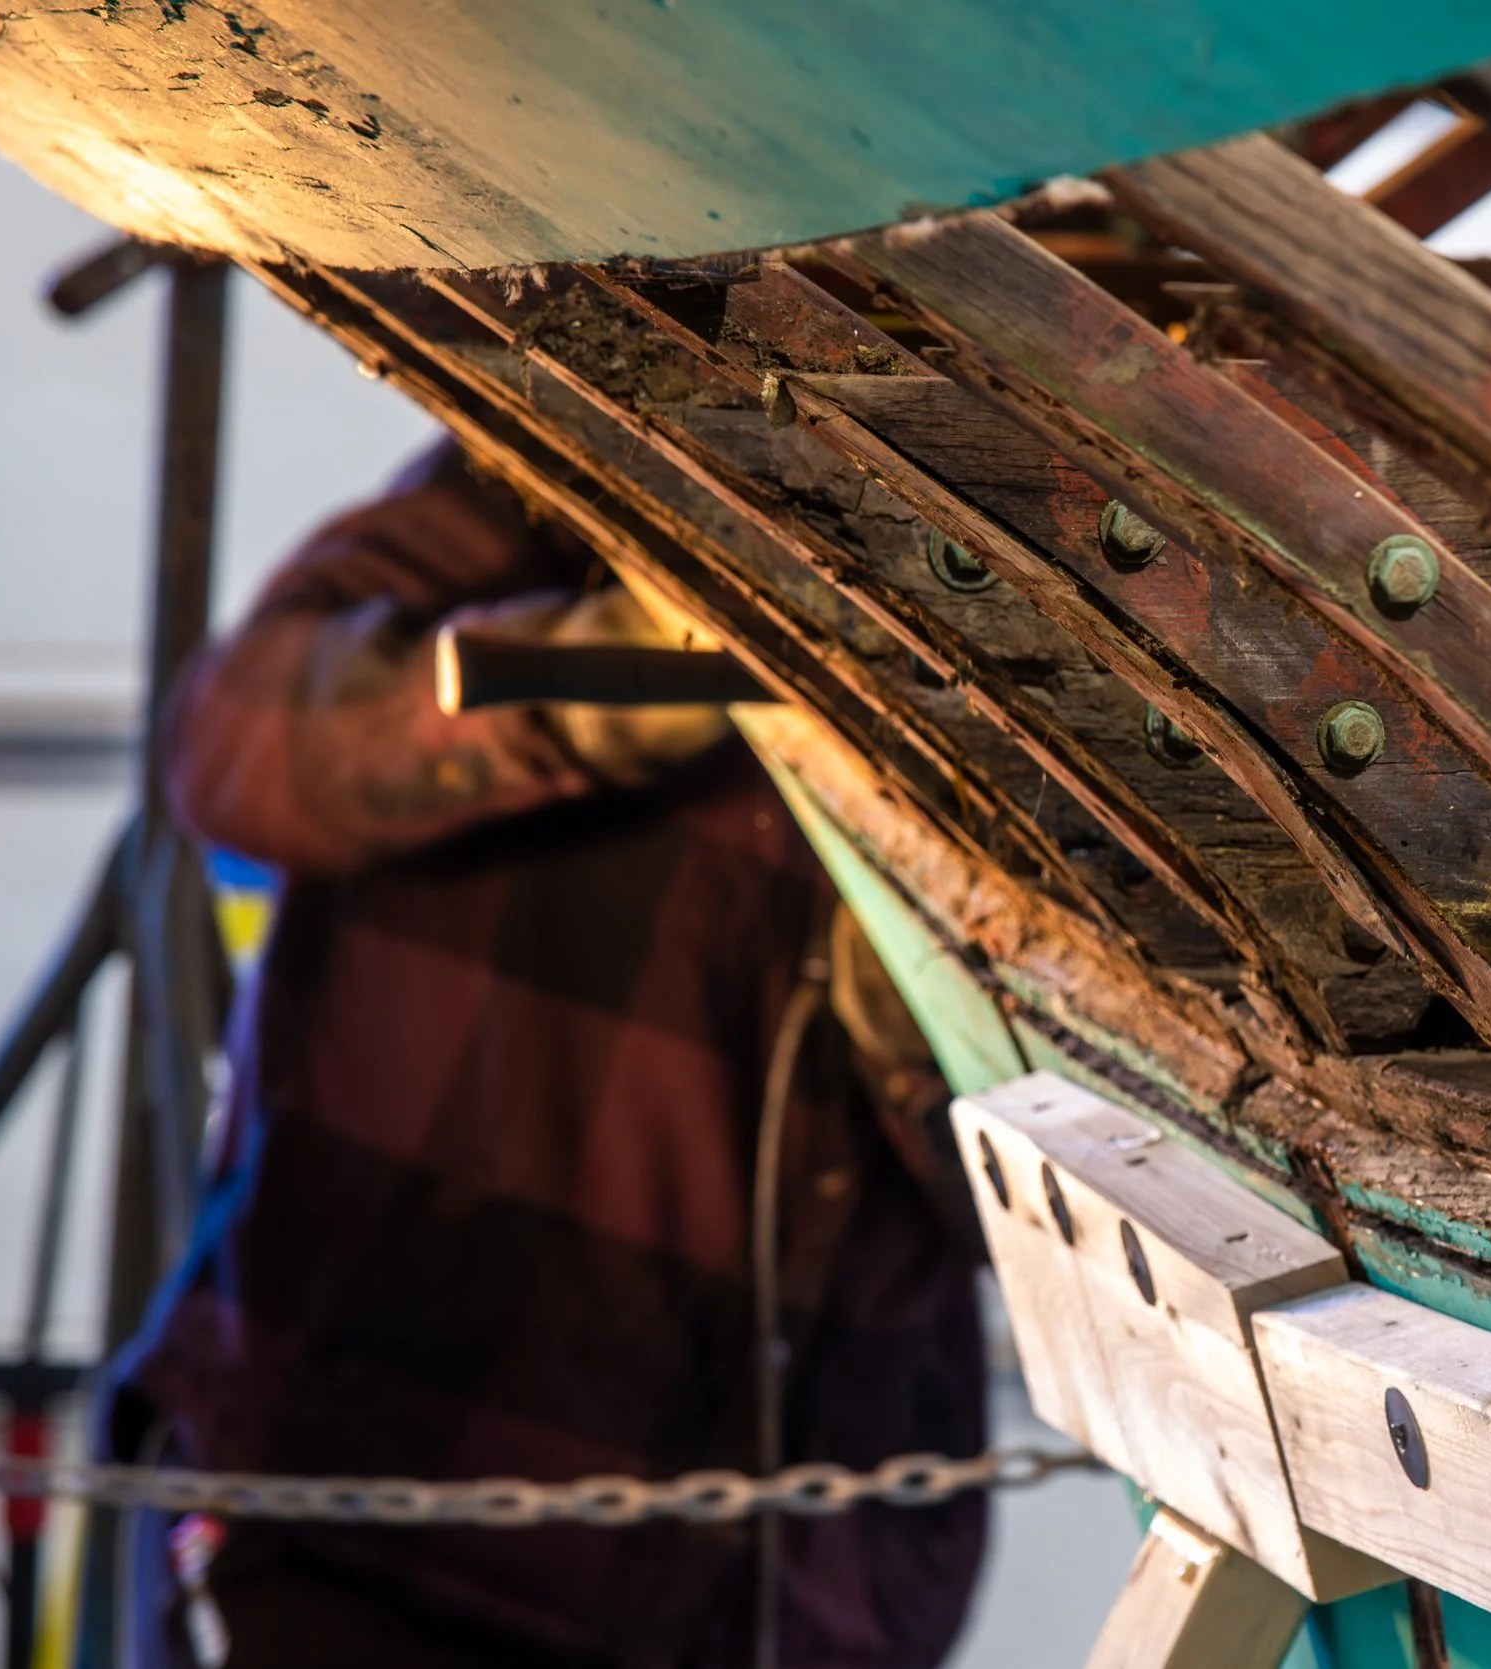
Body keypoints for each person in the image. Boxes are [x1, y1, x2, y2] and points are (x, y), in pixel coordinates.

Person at [101, 440, 988, 1668]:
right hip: (377, 1535)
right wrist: (577, 684)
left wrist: (951, 1037)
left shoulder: (1045, 589)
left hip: (775, 1601)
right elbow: (240, 741)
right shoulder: (571, 459)